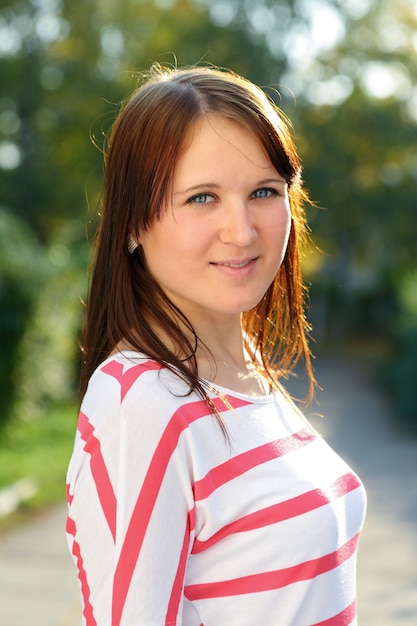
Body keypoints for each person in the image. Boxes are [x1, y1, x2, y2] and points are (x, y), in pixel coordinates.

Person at [66, 65, 366, 626]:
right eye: (202, 198)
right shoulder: (143, 403)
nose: (243, 230)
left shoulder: (242, 367)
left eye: (263, 192)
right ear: (132, 221)